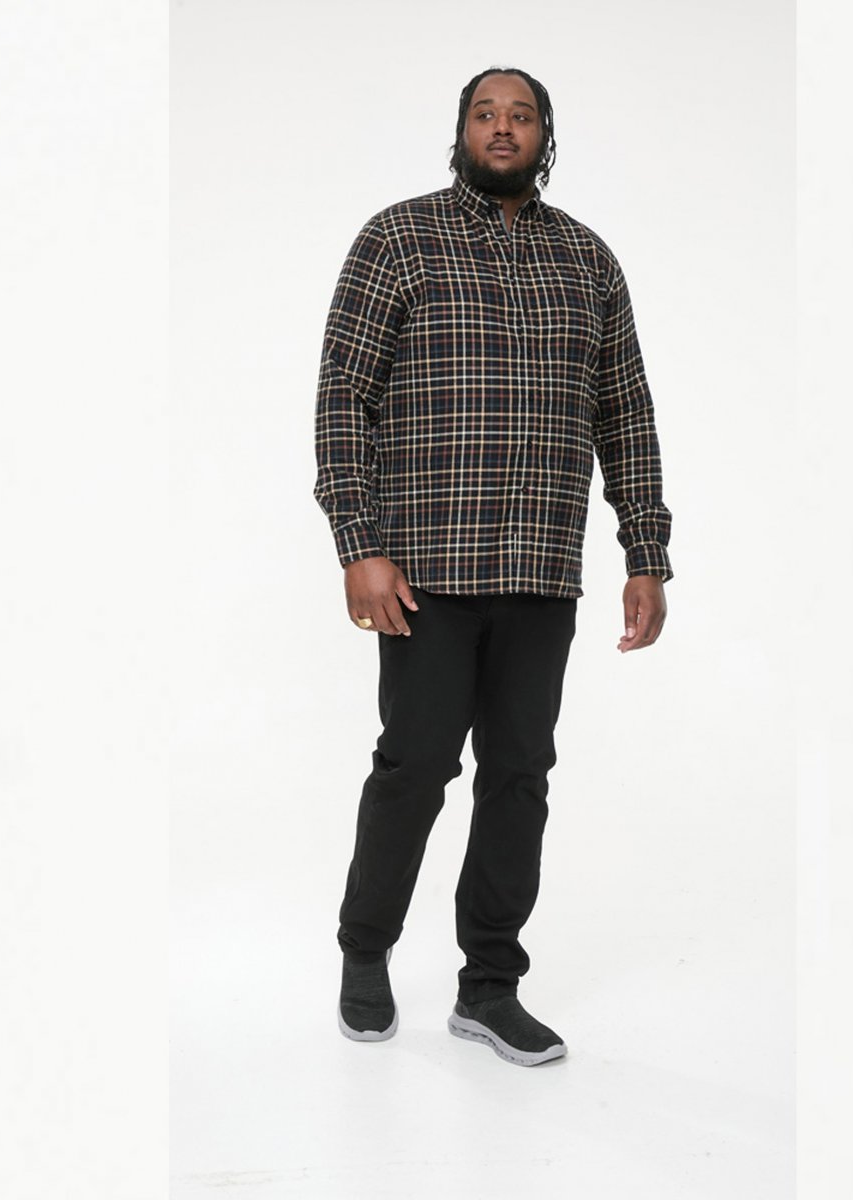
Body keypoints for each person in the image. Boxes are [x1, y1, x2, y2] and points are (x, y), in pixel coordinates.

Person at [314, 66, 672, 1067]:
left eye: (521, 116)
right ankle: (364, 952)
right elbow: (344, 396)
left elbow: (625, 413)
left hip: (542, 570)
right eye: (486, 114)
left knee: (519, 777)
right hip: (426, 568)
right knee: (416, 767)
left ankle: (489, 987)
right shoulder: (398, 240)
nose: (502, 128)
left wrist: (645, 552)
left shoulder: (588, 260)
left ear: (545, 136)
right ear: (461, 131)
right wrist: (360, 544)